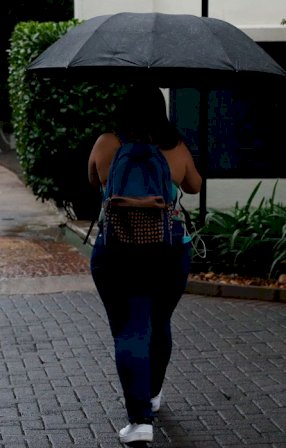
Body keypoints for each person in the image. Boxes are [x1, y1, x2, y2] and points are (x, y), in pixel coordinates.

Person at [87, 85, 202, 444]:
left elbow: (94, 180)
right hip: (168, 252)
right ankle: (151, 395)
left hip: (117, 250)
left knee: (129, 330)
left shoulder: (108, 143)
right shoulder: (176, 147)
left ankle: (139, 422)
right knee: (159, 322)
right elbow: (195, 186)